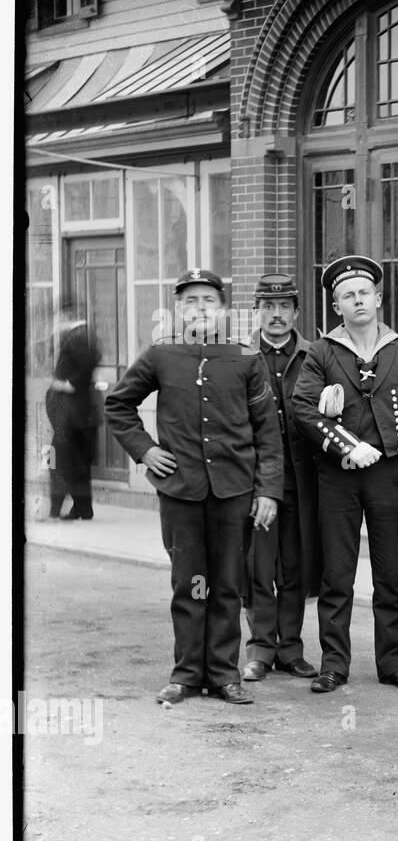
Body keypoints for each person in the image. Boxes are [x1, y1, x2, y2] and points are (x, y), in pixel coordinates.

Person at [106, 268, 282, 706]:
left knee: (225, 584)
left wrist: (267, 491)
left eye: (208, 300)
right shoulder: (161, 356)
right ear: (178, 310)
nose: (200, 309)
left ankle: (224, 675)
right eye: (190, 301)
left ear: (222, 309)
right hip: (180, 490)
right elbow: (119, 404)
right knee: (189, 584)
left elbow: (267, 433)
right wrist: (145, 451)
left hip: (233, 491)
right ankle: (185, 674)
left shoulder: (245, 358)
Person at [291, 255, 398, 694]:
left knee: (391, 573)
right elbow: (302, 408)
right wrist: (346, 446)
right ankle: (333, 664)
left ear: (378, 297)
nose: (357, 301)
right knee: (337, 574)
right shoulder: (321, 351)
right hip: (338, 475)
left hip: (390, 475)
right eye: (347, 295)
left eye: (363, 293)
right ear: (337, 306)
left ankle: (393, 662)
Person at [240, 274, 321, 682]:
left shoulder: (316, 354)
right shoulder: (240, 356)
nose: (276, 315)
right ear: (257, 311)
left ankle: (290, 647)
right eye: (268, 307)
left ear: (296, 312)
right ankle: (259, 649)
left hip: (303, 480)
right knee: (258, 565)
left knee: (296, 566)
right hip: (257, 483)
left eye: (284, 307)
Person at [45, 313, 101, 520]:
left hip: (71, 415)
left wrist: (69, 384)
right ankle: (83, 509)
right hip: (80, 415)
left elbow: (89, 361)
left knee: (58, 462)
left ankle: (54, 512)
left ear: (65, 317)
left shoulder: (77, 336)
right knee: (79, 464)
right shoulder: (82, 334)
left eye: (58, 318)